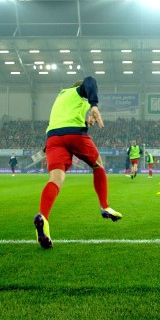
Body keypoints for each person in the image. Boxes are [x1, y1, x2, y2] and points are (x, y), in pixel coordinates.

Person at [33, 77, 122, 250]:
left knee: (55, 180)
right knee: (98, 164)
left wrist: (86, 121)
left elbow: (65, 117)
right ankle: (105, 206)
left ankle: (43, 218)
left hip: (53, 138)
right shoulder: (79, 92)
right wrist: (94, 104)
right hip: (73, 135)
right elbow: (90, 80)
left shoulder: (62, 96)